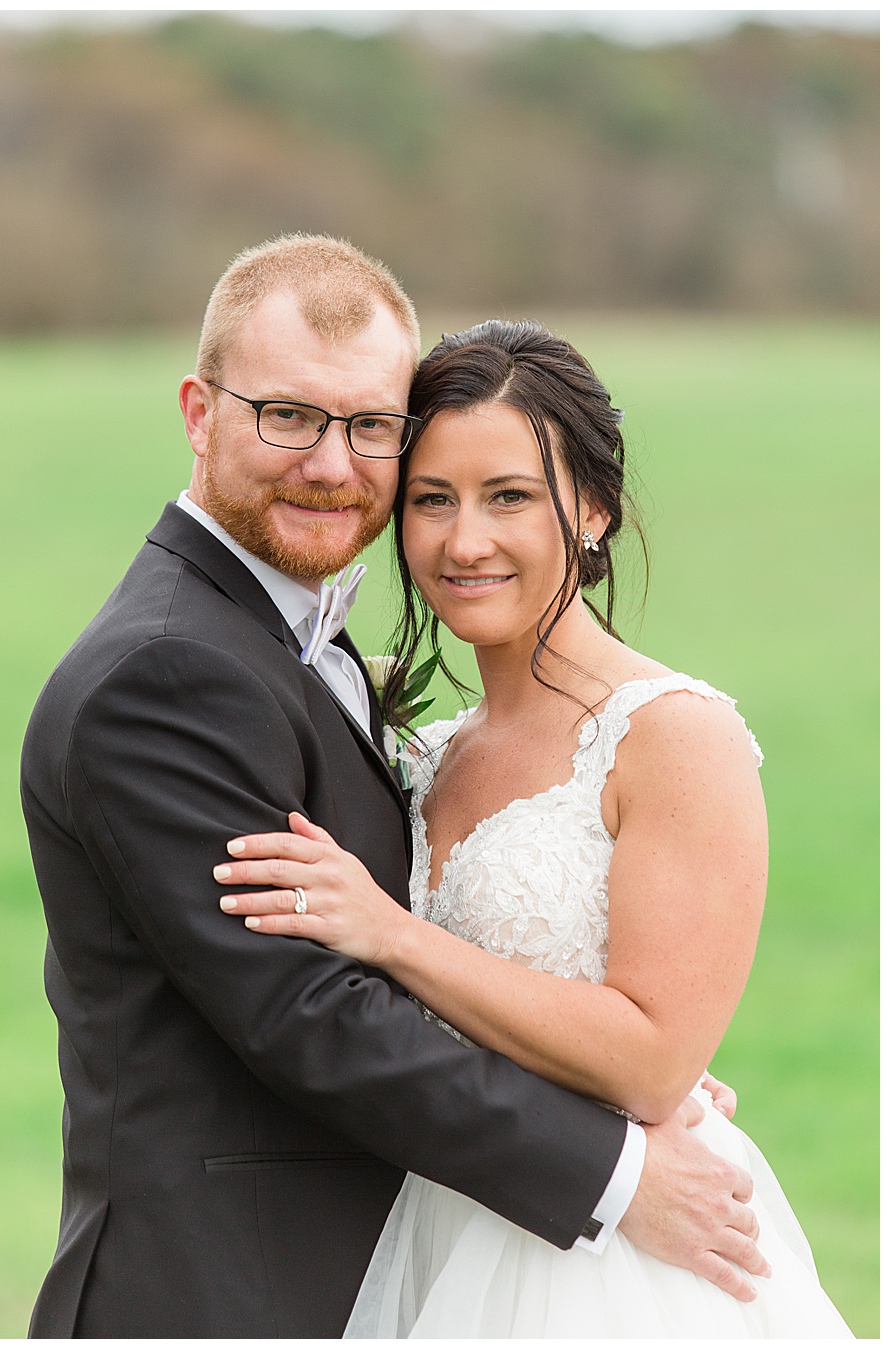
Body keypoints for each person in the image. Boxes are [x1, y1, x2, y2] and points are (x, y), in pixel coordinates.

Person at [19, 235, 765, 1337]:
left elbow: (569, 1009)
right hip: (229, 1287)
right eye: (288, 415)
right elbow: (311, 1010)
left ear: (592, 509)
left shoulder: (296, 652)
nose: (332, 463)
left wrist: (616, 1074)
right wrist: (611, 1165)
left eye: (371, 427)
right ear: (197, 409)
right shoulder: (169, 671)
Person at [213, 319, 851, 1336]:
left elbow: (651, 1060)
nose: (465, 541)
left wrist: (389, 930)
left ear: (593, 508)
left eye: (508, 495)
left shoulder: (674, 736)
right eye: (432, 500)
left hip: (618, 1259)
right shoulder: (425, 754)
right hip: (448, 1210)